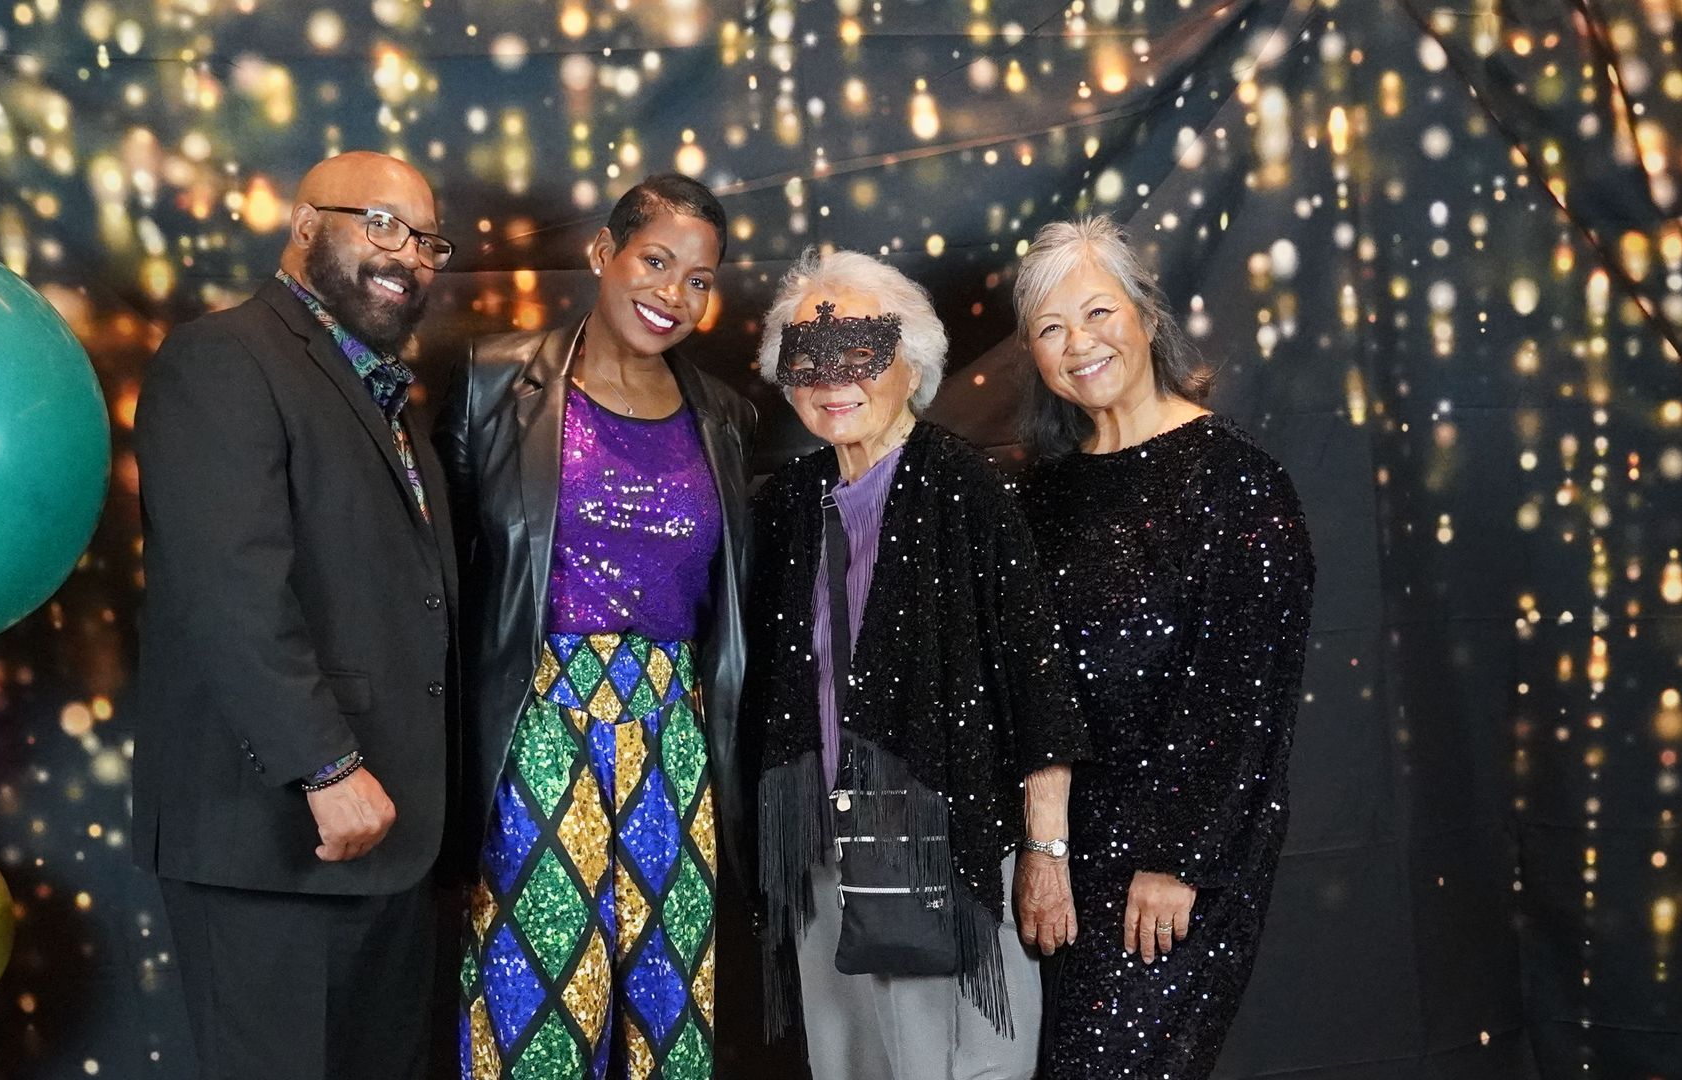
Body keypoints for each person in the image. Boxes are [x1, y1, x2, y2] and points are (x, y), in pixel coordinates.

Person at [131, 151, 459, 1080]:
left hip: (391, 841)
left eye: (427, 241)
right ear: (306, 223)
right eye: (382, 225)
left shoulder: (387, 395)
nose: (409, 255)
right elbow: (228, 589)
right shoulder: (223, 358)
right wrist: (327, 765)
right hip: (274, 833)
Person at [436, 173, 755, 1079]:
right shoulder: (495, 381)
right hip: (538, 732)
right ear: (602, 252)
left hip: (676, 743)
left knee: (670, 1012)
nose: (673, 294)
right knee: (536, 1005)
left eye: (698, 280)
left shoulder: (726, 417)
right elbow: (442, 581)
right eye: (655, 262)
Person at [742, 248, 1089, 1080]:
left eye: (860, 352)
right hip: (822, 853)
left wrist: (1046, 856)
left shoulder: (965, 488)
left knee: (959, 1064)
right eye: (807, 357)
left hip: (943, 846)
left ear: (914, 364)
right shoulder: (787, 503)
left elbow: (1038, 686)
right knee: (850, 1064)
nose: (833, 379)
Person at [1009, 215, 1315, 1078]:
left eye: (1098, 313)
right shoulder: (1044, 495)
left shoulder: (1238, 481)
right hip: (1056, 858)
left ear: (1147, 317)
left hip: (1175, 859)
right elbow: (1027, 682)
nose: (1080, 344)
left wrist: (1176, 858)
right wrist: (1042, 848)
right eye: (1051, 329)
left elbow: (1243, 696)